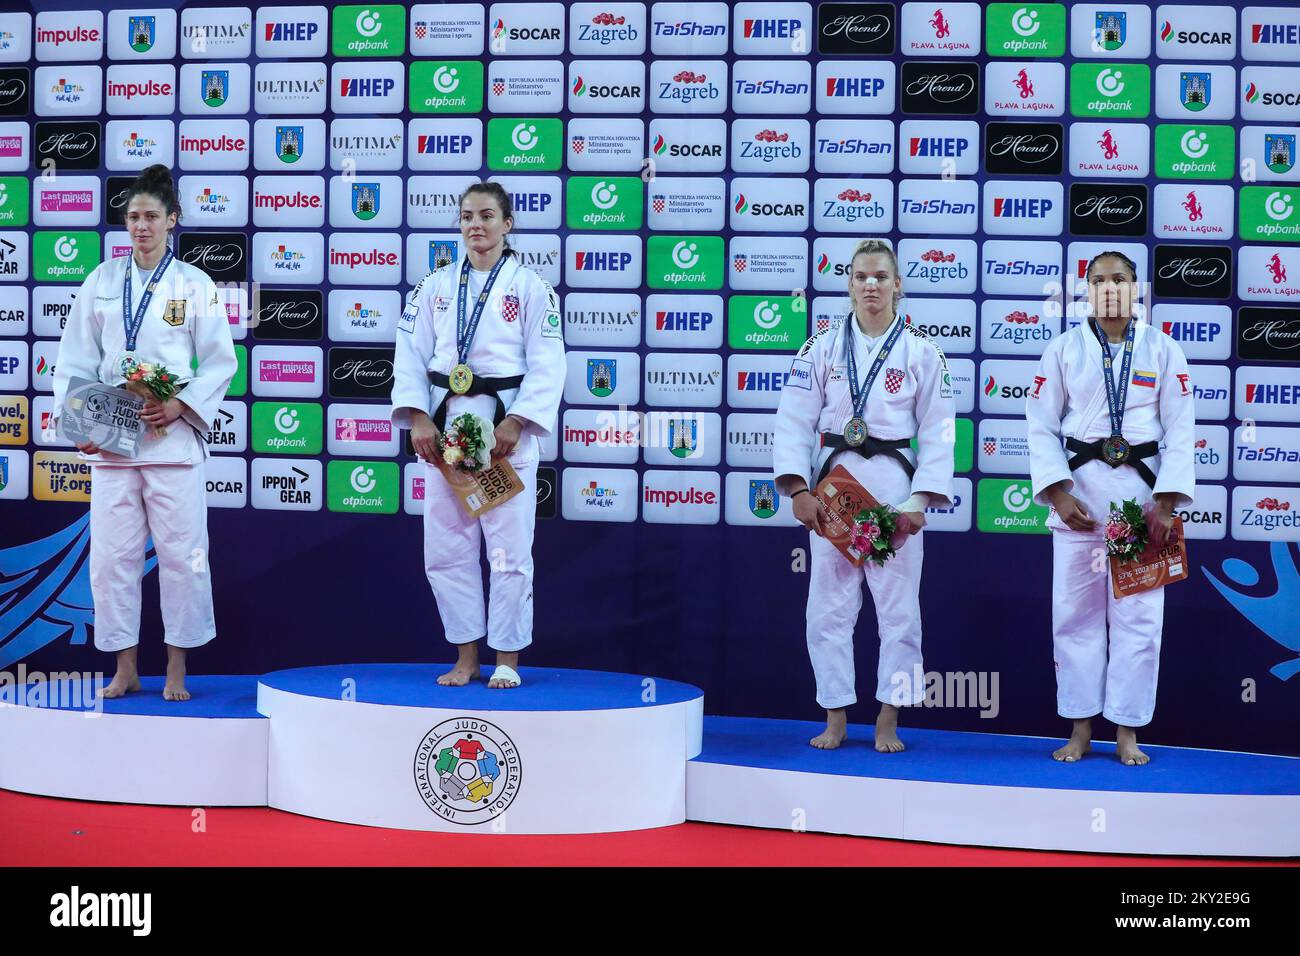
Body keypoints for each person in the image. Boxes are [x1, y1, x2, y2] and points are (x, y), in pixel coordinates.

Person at [50, 164, 237, 701]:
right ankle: (124, 666)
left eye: (152, 216)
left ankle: (176, 668)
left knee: (182, 556)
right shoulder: (101, 282)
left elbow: (220, 363)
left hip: (171, 446)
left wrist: (180, 405)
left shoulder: (194, 284)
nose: (141, 226)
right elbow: (75, 362)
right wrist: (80, 425)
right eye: (133, 217)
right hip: (112, 445)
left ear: (172, 220)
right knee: (111, 561)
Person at [773, 239, 955, 751]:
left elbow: (940, 430)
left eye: (880, 276)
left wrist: (920, 503)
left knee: (900, 613)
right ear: (849, 284)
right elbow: (793, 419)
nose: (870, 285)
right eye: (860, 277)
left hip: (894, 492)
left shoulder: (922, 351)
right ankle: (835, 716)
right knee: (828, 610)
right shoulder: (821, 346)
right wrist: (797, 489)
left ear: (898, 284)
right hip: (834, 490)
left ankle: (888, 718)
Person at [390, 182, 565, 689]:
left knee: (508, 550)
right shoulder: (434, 286)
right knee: (446, 550)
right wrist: (418, 417)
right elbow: (409, 354)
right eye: (467, 216)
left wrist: (519, 421)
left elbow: (549, 364)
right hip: (444, 433)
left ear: (507, 225)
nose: (476, 225)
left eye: (487, 216)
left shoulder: (532, 288)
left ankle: (506, 658)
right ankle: (466, 656)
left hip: (503, 435)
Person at [1026, 251, 1196, 766]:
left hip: (1141, 506)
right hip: (1079, 500)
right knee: (1074, 617)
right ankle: (1080, 727)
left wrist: (1165, 504)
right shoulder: (1063, 350)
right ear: (1086, 289)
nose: (1108, 287)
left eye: (1118, 278)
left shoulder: (1165, 350)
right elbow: (1040, 424)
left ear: (1135, 286)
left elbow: (1182, 429)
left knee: (1139, 621)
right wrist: (1057, 492)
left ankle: (1126, 730)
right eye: (1098, 280)